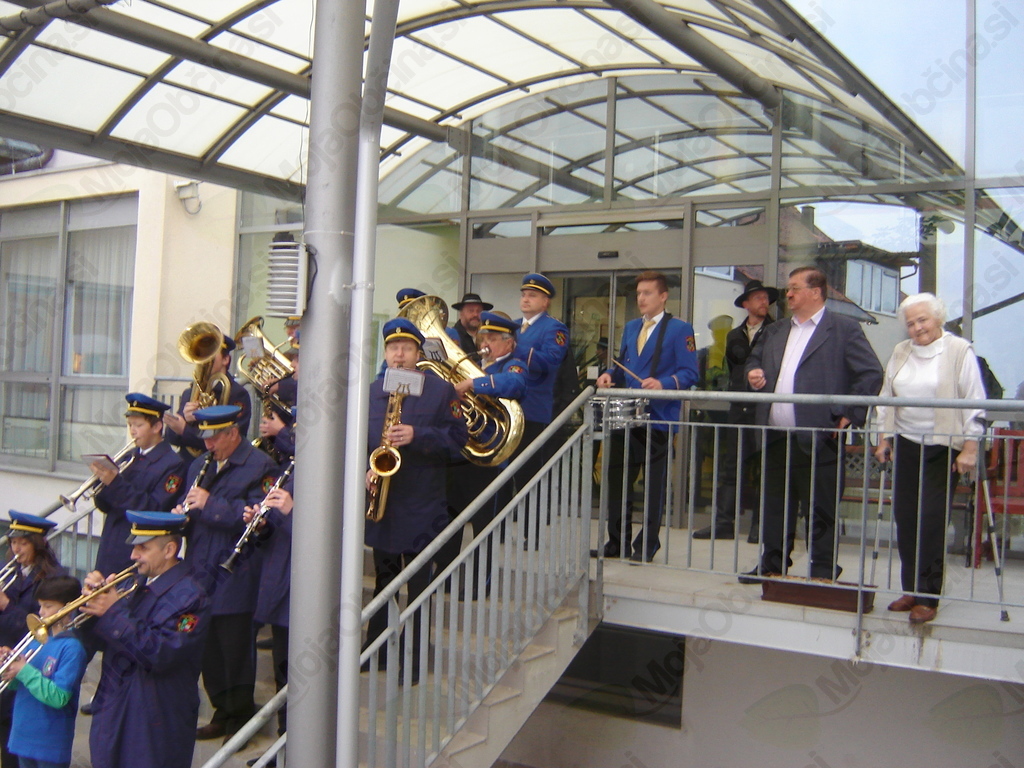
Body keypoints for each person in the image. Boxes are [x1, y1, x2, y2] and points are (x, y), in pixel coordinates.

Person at [741, 266, 883, 583]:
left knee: (821, 507)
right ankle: (772, 565)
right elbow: (754, 358)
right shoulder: (776, 330)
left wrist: (849, 412)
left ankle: (822, 570)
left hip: (821, 435)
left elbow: (871, 373)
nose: (788, 294)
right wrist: (753, 373)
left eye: (795, 288)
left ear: (816, 292)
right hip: (776, 436)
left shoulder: (843, 329)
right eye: (788, 288)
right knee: (775, 504)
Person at [363, 319, 468, 678]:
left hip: (422, 503)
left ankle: (416, 657)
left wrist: (417, 435)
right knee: (384, 582)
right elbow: (359, 440)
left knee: (419, 586)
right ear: (385, 353)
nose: (399, 355)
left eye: (406, 348)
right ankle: (375, 649)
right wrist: (366, 469)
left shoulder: (441, 391)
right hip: (385, 504)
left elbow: (458, 441)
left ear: (418, 353)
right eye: (393, 349)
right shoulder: (373, 391)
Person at [873, 293, 986, 624]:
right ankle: (911, 589)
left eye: (922, 320)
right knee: (906, 516)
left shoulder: (958, 350)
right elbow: (886, 396)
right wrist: (884, 437)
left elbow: (974, 400)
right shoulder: (901, 351)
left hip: (943, 446)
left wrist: (970, 448)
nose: (917, 328)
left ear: (938, 318)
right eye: (910, 323)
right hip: (907, 443)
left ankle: (928, 595)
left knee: (932, 519)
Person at [172, 405, 278, 741]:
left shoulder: (260, 465)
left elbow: (259, 517)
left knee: (235, 651)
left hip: (237, 573)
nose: (208, 445)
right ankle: (221, 711)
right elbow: (193, 514)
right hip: (200, 571)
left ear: (233, 433)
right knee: (209, 651)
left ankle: (241, 717)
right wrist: (180, 518)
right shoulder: (198, 465)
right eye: (205, 438)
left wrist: (209, 504)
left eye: (214, 438)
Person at [80, 511, 210, 768]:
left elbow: (161, 653)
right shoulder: (134, 584)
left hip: (155, 720)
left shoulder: (192, 597)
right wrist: (90, 607)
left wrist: (113, 611)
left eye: (143, 548)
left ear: (169, 549)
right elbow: (94, 641)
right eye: (134, 547)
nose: (133, 555)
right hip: (114, 709)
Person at [596, 271, 699, 561]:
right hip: (626, 415)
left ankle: (648, 543)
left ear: (663, 296)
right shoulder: (631, 327)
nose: (641, 298)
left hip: (658, 417)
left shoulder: (680, 329)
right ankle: (617, 541)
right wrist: (609, 374)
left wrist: (663, 383)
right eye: (639, 293)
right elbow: (623, 364)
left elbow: (690, 372)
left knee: (654, 484)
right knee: (618, 480)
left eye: (647, 293)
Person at [437, 311, 527, 595]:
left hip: (489, 461)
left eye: (493, 339)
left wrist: (473, 384)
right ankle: (443, 579)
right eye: (482, 338)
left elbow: (515, 385)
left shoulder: (513, 365)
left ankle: (480, 584)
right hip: (460, 456)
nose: (485, 344)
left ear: (509, 343)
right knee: (449, 522)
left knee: (483, 526)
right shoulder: (473, 365)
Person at [693, 280, 777, 542]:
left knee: (764, 467)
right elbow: (734, 368)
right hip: (739, 408)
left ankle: (760, 526)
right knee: (732, 466)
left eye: (766, 298)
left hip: (764, 408)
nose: (764, 302)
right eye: (758, 298)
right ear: (746, 304)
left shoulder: (776, 331)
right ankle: (723, 523)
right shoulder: (734, 335)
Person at [91, 393, 187, 578]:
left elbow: (153, 507)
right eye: (130, 425)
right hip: (110, 542)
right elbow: (106, 506)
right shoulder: (129, 457)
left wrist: (114, 483)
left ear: (157, 427)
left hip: (137, 548)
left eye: (138, 425)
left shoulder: (173, 464)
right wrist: (101, 485)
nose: (133, 431)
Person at [1, 575, 87, 768]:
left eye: (48, 606)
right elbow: (16, 684)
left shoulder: (72, 648)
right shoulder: (35, 640)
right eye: (40, 606)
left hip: (50, 744)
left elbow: (59, 697)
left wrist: (24, 671)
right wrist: (9, 666)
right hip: (22, 736)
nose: (41, 612)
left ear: (67, 607)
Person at [0, 513, 64, 768]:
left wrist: (6, 605)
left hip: (31, 660)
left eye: (23, 543)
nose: (16, 549)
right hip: (4, 656)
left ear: (38, 544)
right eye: (13, 542)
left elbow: (40, 628)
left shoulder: (53, 578)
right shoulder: (8, 571)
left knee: (15, 737)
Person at [243, 470, 295, 748]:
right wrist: (261, 526)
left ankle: (297, 749)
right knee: (283, 678)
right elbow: (273, 539)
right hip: (282, 592)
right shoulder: (292, 474)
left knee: (301, 682)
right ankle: (284, 746)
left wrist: (292, 511)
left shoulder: (337, 478)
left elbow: (332, 538)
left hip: (310, 597)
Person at [513, 273, 570, 499]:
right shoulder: (512, 326)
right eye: (524, 295)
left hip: (533, 410)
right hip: (508, 408)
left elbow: (551, 361)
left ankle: (531, 522)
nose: (525, 299)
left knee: (528, 475)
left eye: (532, 296)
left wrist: (514, 349)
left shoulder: (554, 328)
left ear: (546, 302)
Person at [164, 331, 252, 457]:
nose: (204, 359)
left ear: (225, 359)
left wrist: (185, 430)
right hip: (188, 462)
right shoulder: (189, 393)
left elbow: (233, 440)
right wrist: (185, 421)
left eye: (210, 354)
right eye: (201, 353)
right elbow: (171, 437)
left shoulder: (237, 394)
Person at [450, 292, 493, 363]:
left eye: (479, 311)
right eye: (471, 311)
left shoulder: (488, 334)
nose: (475, 314)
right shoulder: (452, 336)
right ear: (461, 313)